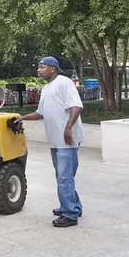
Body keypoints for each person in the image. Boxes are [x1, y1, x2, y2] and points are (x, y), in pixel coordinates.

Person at [13, 56, 84, 227]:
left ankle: (69, 214)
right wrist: (23, 117)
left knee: (64, 177)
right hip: (55, 140)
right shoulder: (46, 88)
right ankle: (74, 206)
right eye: (38, 67)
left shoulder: (64, 82)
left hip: (67, 140)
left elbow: (76, 106)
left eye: (42, 67)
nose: (38, 70)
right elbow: (41, 113)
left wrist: (68, 128)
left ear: (52, 68)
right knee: (63, 176)